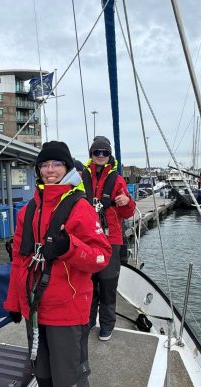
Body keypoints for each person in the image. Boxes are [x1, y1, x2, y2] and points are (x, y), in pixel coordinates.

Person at [4, 141, 112, 387]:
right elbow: (20, 261)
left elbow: (101, 256)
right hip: (37, 309)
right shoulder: (28, 211)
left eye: (57, 164)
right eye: (45, 165)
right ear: (38, 169)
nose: (50, 170)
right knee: (43, 371)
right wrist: (14, 303)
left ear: (67, 168)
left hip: (68, 310)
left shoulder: (79, 208)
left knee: (70, 380)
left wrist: (68, 246)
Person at [81, 136, 136, 341]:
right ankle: (87, 322)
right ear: (91, 154)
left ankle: (107, 324)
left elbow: (129, 212)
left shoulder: (118, 179)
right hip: (87, 238)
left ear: (109, 155)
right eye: (97, 152)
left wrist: (126, 201)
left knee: (107, 284)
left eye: (104, 152)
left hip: (110, 238)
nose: (101, 156)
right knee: (87, 283)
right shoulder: (81, 177)